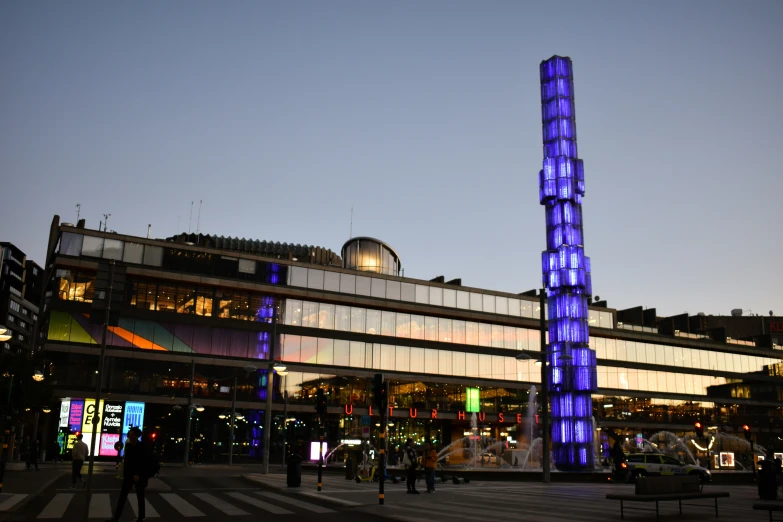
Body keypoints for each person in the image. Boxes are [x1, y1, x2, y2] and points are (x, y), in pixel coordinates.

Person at [107, 427, 157, 522]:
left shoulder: (142, 447)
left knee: (140, 497)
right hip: (129, 476)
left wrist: (138, 474)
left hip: (139, 476)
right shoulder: (129, 446)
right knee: (122, 497)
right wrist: (125, 474)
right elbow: (128, 462)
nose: (130, 436)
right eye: (130, 434)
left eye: (132, 434)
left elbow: (143, 462)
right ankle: (116, 518)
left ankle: (141, 518)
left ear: (137, 436)